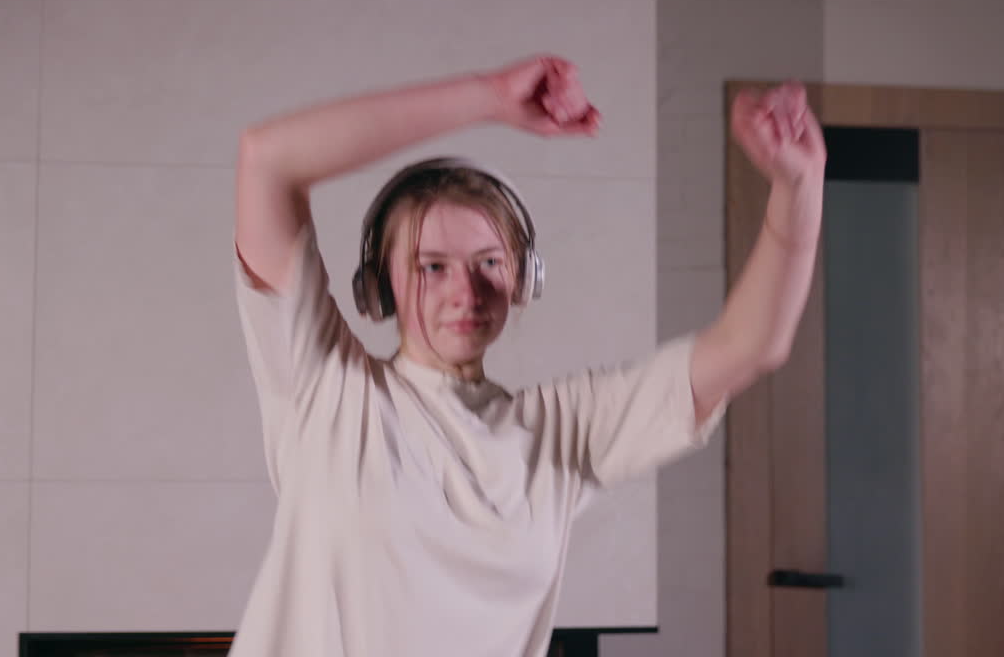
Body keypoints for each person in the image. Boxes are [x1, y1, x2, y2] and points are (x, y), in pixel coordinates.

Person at [228, 54, 825, 657]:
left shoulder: (557, 430)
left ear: (522, 279)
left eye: (489, 262)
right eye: (431, 267)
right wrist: (487, 97)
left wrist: (799, 185)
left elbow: (752, 345)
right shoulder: (325, 391)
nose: (466, 291)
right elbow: (268, 158)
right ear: (380, 287)